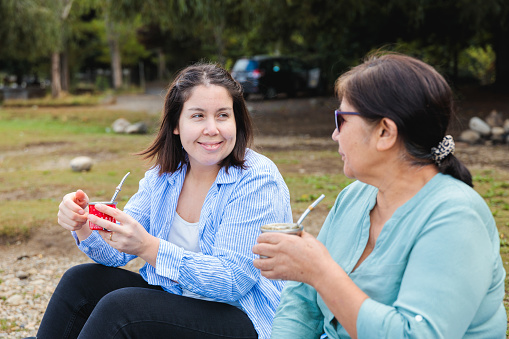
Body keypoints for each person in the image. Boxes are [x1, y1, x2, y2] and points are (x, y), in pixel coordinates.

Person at [252, 52, 507, 338]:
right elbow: (301, 303)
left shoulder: (457, 217)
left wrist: (321, 272)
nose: (334, 135)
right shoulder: (355, 197)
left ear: (385, 132)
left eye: (342, 120)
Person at [38, 63, 293, 339]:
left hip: (245, 318)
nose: (212, 129)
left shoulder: (257, 178)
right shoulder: (164, 176)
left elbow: (232, 281)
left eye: (222, 115)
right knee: (80, 282)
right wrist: (83, 223)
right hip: (182, 300)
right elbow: (116, 254)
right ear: (175, 124)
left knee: (121, 309)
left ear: (236, 121)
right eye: (197, 116)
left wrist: (149, 247)